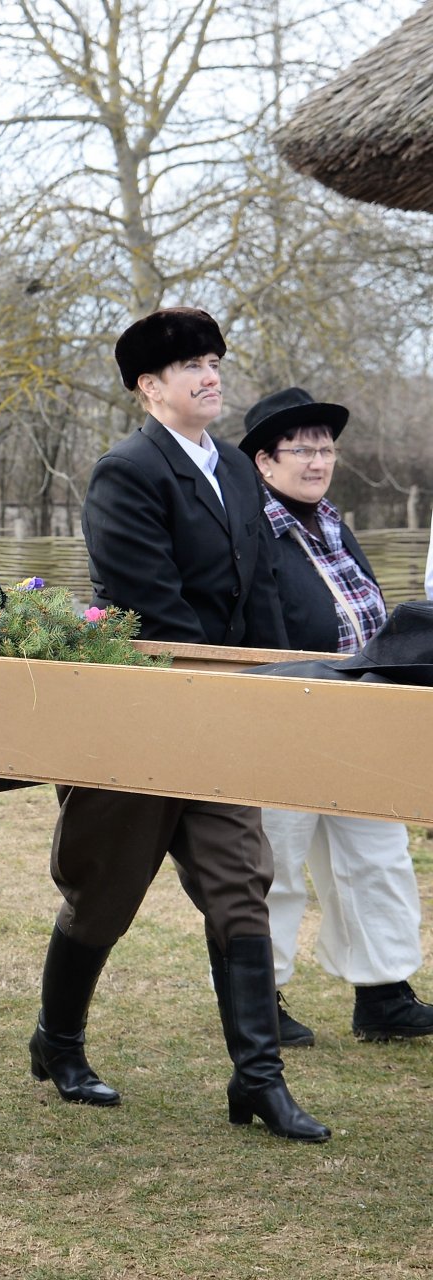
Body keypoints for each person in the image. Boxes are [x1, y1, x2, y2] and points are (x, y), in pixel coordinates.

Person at [33, 308, 326, 1141]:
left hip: (220, 718)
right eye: (191, 366)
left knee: (240, 884)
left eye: (214, 362)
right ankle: (58, 1042)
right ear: (148, 388)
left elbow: (261, 585)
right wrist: (219, 688)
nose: (210, 376)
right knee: (103, 893)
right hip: (142, 719)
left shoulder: (234, 466)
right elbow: (149, 607)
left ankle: (258, 1080)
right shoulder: (125, 473)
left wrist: (274, 680)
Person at [241, 387, 433, 1045]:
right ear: (265, 461)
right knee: (274, 862)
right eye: (302, 449)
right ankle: (255, 1000)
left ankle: (383, 994)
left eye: (326, 448)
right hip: (286, 713)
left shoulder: (331, 521)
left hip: (360, 713)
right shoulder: (251, 531)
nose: (318, 460)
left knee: (375, 856)